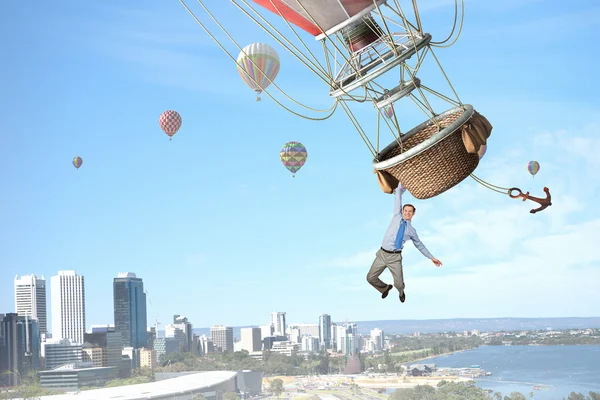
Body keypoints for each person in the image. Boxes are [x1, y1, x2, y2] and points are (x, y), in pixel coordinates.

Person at [366, 183, 442, 303]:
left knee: (399, 284)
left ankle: (401, 292)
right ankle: (385, 288)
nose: (407, 213)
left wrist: (431, 258)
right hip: (382, 254)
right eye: (405, 210)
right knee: (370, 278)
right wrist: (401, 185)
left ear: (413, 214)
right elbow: (398, 196)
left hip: (395, 257)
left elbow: (420, 245)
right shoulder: (396, 216)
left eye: (410, 211)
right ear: (402, 211)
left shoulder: (411, 231)